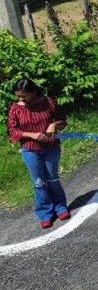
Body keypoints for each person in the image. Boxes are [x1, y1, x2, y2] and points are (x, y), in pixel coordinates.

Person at [6, 78, 69, 229]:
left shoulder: (48, 102)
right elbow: (12, 131)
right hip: (30, 149)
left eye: (24, 96)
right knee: (39, 182)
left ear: (33, 92)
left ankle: (60, 207)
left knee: (53, 178)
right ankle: (45, 213)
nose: (21, 99)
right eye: (18, 96)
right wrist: (31, 135)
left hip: (51, 147)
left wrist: (54, 125)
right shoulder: (15, 108)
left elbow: (62, 121)